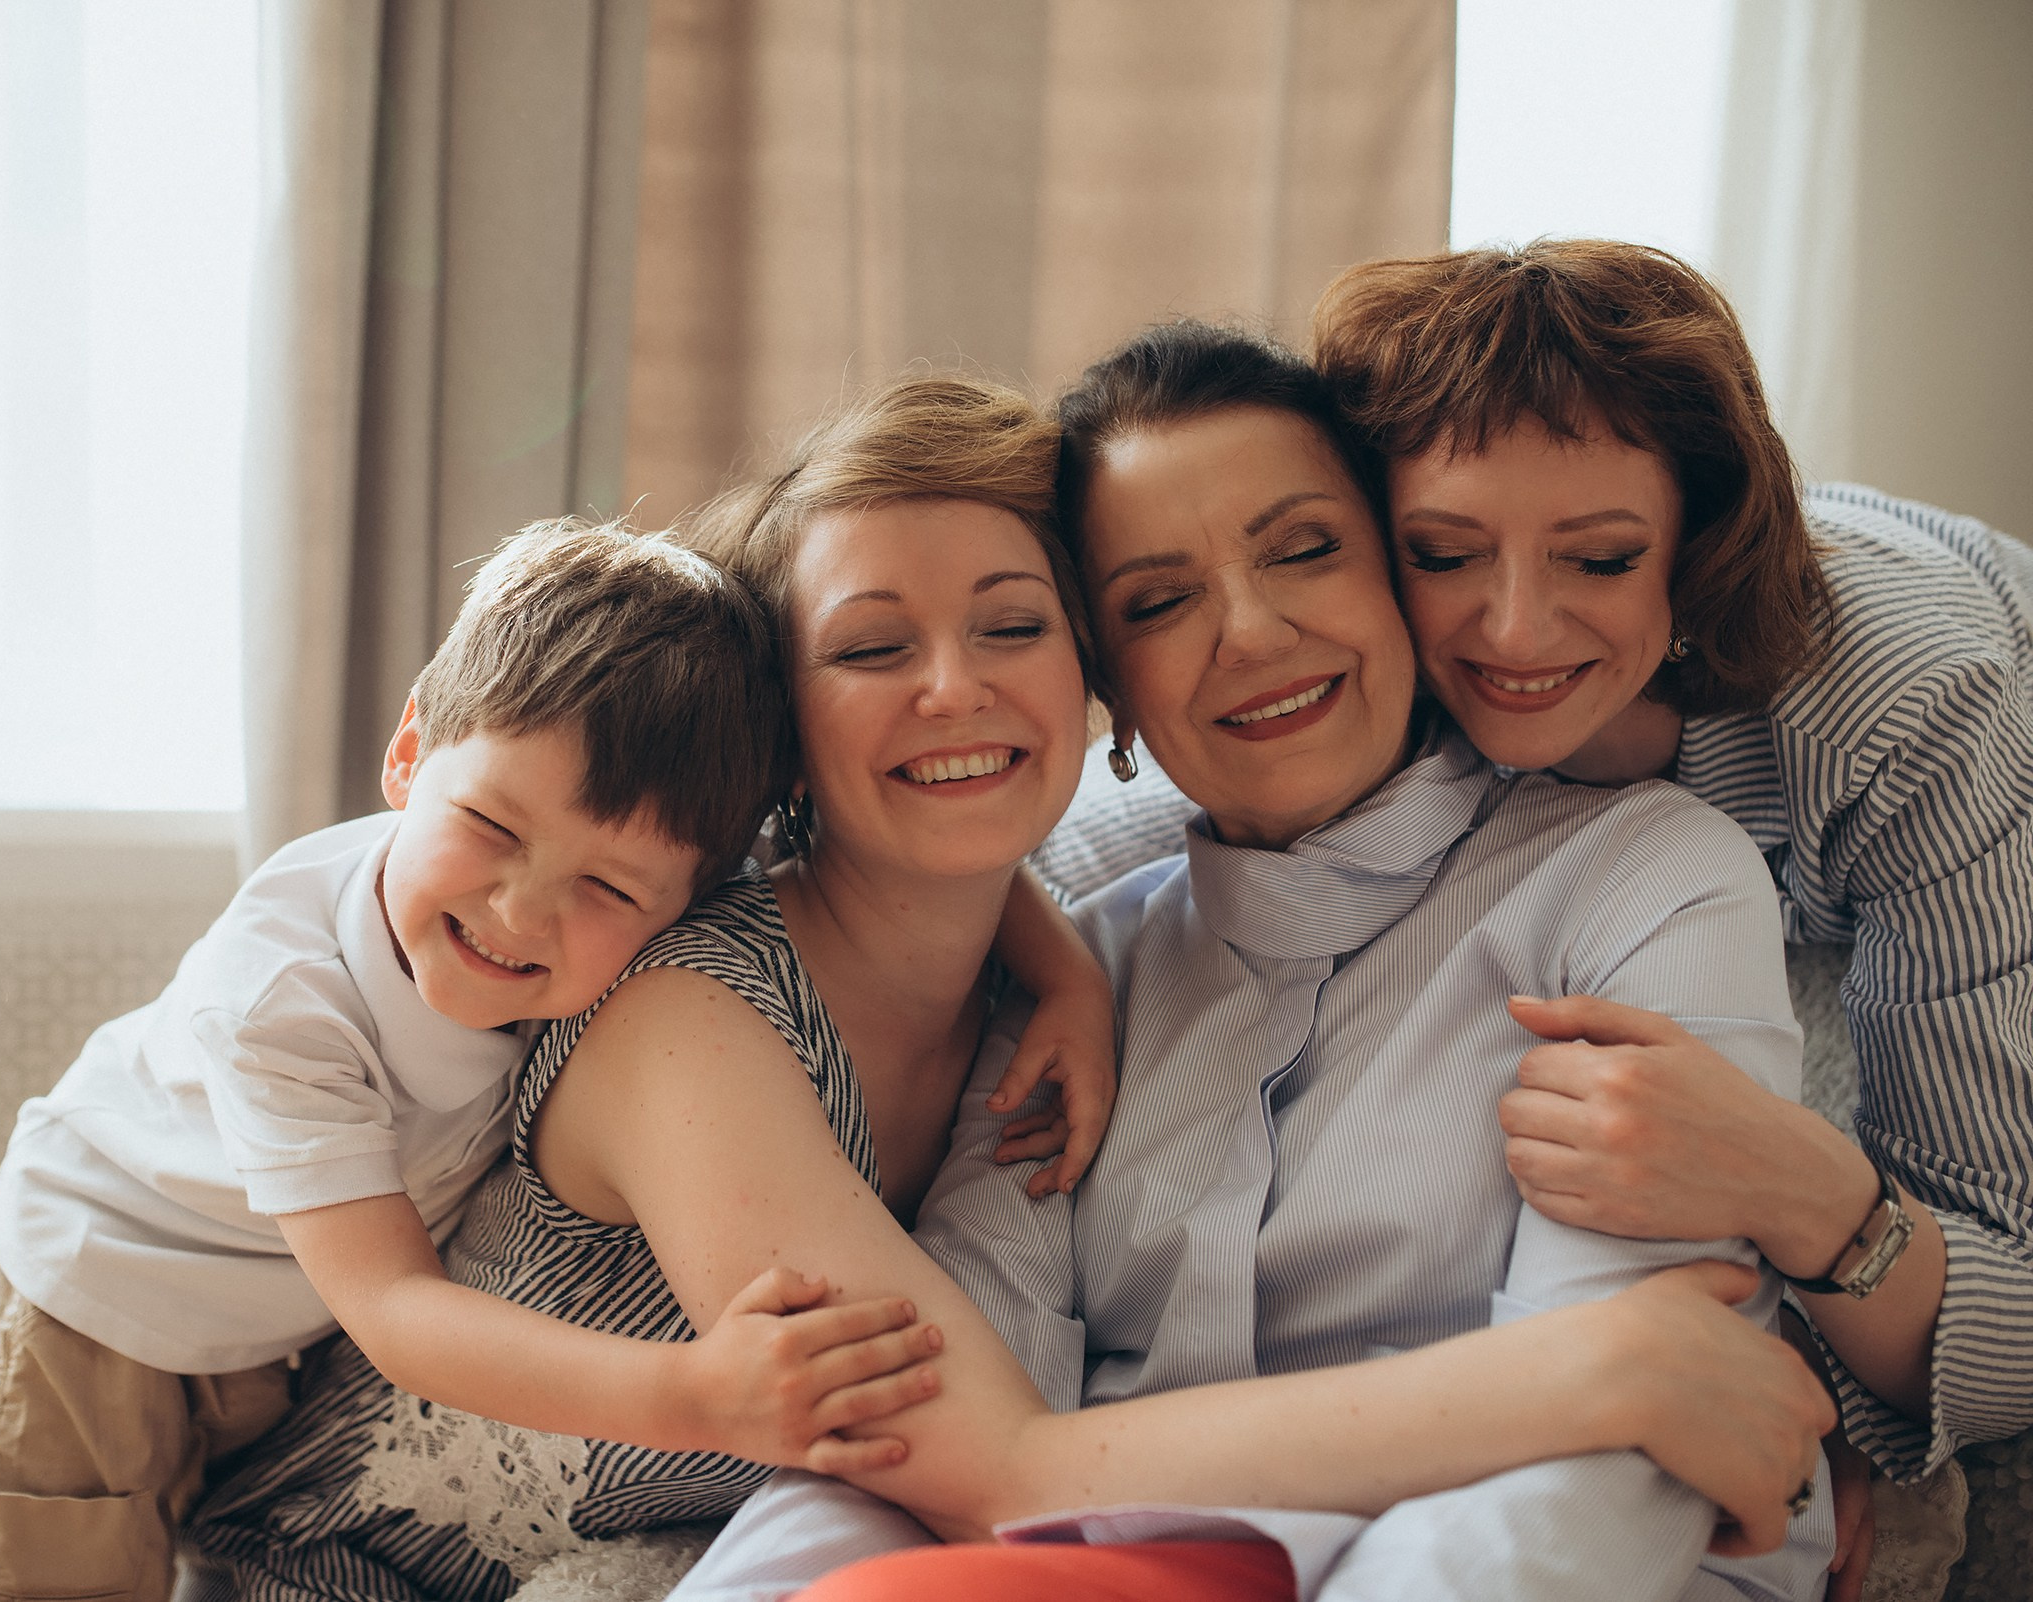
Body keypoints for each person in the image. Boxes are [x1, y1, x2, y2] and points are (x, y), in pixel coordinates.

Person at [187, 373, 1832, 1602]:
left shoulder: (1056, 986)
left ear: (1089, 681)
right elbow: (999, 1465)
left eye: (1013, 623)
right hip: (396, 1570)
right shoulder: (693, 1017)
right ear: (782, 721)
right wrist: (1588, 1372)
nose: (955, 687)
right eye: (870, 645)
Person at [671, 327, 1841, 1602]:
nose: (1251, 632)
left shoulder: (1647, 877)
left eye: (1304, 550)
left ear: (1401, 574)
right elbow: (925, 1420)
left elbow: (1635, 1434)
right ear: (1104, 681)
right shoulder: (1082, 972)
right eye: (1158, 601)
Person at [1057, 242, 2033, 1493]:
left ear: (1690, 546)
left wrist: (1802, 1207)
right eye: (1445, 553)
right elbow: (1058, 846)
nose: (1512, 629)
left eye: (1602, 557)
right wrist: (1052, 973)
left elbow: (2002, 1307)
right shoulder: (1350, 656)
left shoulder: (1911, 706)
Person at [0, 521, 962, 1602]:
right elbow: (395, 1308)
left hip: (270, 1326)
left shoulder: (674, 932)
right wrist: (695, 1393)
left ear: (691, 900)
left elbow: (866, 867)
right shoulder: (283, 999)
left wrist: (1066, 978)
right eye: (489, 827)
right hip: (94, 1294)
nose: (518, 912)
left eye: (607, 889)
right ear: (409, 750)